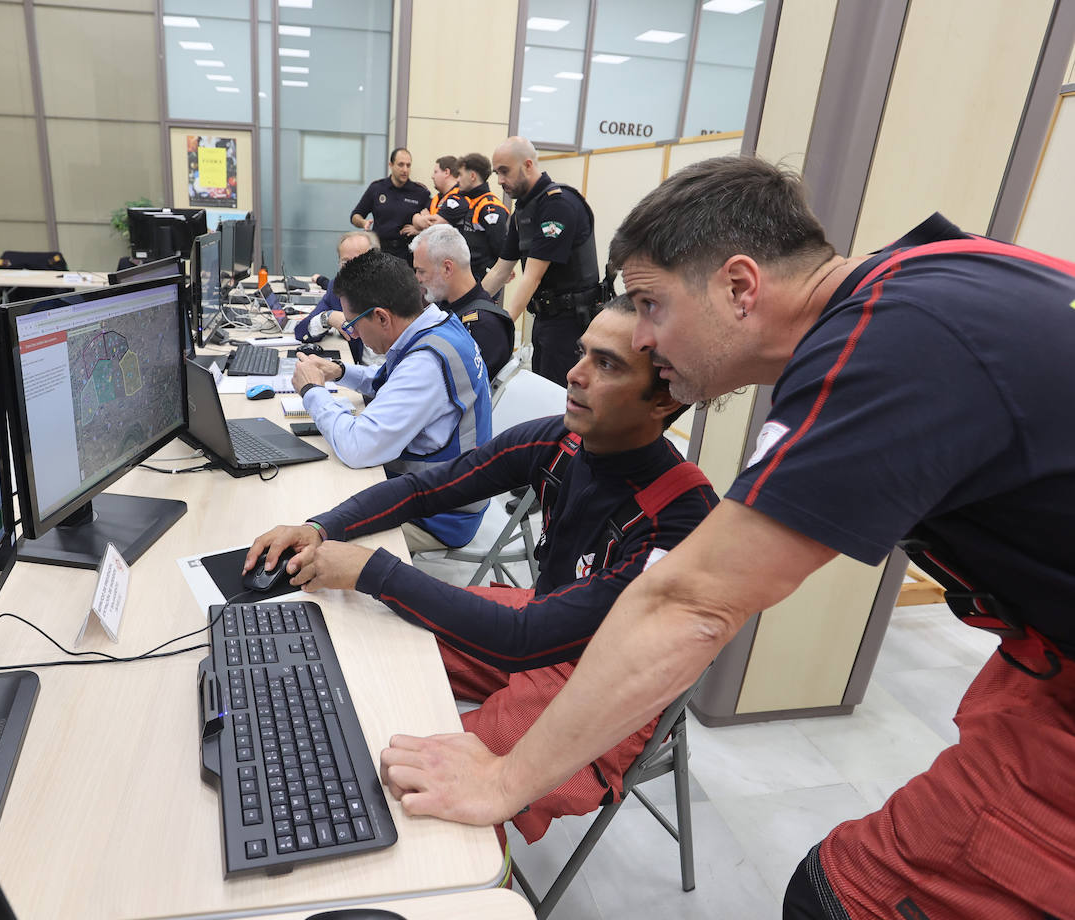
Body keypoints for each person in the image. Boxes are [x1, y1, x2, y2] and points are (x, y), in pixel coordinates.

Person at [377, 155, 1075, 920]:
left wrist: (506, 778)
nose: (645, 336)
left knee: (846, 900)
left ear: (740, 287)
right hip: (1041, 657)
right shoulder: (938, 271)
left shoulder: (894, 343)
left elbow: (693, 604)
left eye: (650, 305)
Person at [247, 296, 714, 844]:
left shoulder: (682, 521)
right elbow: (429, 487)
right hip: (548, 628)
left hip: (605, 695)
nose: (575, 374)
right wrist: (322, 528)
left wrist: (373, 570)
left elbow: (523, 641)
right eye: (582, 352)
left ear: (666, 398)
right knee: (361, 635)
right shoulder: (563, 440)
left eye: (606, 364)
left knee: (429, 791)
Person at [290, 250, 492, 551]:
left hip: (440, 515)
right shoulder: (438, 323)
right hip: (441, 492)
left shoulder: (426, 364)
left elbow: (358, 447)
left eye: (353, 324)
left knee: (310, 534)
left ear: (382, 317)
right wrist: (341, 371)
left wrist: (312, 392)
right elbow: (392, 378)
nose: (353, 334)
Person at [481, 136, 601, 387]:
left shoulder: (558, 205)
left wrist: (501, 326)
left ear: (527, 165)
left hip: (572, 325)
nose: (500, 180)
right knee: (543, 392)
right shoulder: (523, 211)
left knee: (557, 399)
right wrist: (468, 310)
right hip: (545, 320)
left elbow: (532, 275)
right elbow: (500, 271)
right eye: (496, 173)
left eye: (505, 171)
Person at [409, 223, 513, 381]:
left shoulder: (484, 326)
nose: (418, 278)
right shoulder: (442, 308)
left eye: (421, 271)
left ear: (447, 269)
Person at [293, 229, 378, 364]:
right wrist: (328, 318)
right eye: (345, 262)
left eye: (359, 260)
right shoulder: (337, 288)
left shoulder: (391, 292)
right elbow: (301, 332)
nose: (351, 268)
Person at [351, 148, 432, 262]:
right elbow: (355, 216)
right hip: (380, 252)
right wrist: (363, 223)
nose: (405, 170)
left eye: (408, 165)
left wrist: (419, 229)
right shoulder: (377, 188)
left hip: (407, 253)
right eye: (401, 165)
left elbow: (434, 221)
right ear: (391, 165)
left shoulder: (420, 192)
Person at [445, 152, 509, 283]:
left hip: (482, 280)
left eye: (460, 174)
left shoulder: (490, 207)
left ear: (472, 176)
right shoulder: (472, 201)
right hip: (466, 276)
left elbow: (501, 249)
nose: (457, 180)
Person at [406, 155, 464, 236]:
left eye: (436, 172)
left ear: (446, 172)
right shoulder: (437, 198)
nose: (432, 177)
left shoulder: (459, 197)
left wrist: (422, 220)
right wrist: (421, 219)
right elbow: (415, 218)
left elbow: (435, 226)